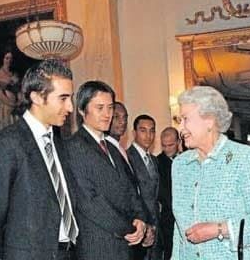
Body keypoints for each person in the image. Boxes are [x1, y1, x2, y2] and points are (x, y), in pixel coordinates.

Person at [0, 60, 78, 259]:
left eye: (71, 98)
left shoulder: (60, 144)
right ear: (36, 97)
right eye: (63, 98)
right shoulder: (5, 145)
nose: (70, 107)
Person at [172, 86, 250, 260]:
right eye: (179, 120)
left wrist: (219, 230)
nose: (180, 128)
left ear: (209, 120)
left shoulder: (245, 158)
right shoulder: (180, 165)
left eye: (185, 119)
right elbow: (179, 231)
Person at [64, 80, 149, 260]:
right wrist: (129, 228)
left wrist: (141, 219)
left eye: (110, 108)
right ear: (81, 110)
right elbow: (89, 201)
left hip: (125, 246)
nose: (107, 114)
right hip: (98, 247)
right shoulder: (73, 146)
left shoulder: (112, 147)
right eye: (100, 108)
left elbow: (130, 189)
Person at [126, 114, 160, 259]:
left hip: (157, 230)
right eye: (143, 130)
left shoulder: (154, 160)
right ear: (134, 133)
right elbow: (131, 196)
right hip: (140, 229)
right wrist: (146, 226)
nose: (148, 136)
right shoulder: (126, 157)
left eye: (152, 131)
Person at [156, 127, 181, 260]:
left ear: (178, 142)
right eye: (164, 145)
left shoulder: (187, 159)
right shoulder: (157, 163)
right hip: (168, 220)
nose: (167, 149)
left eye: (170, 145)